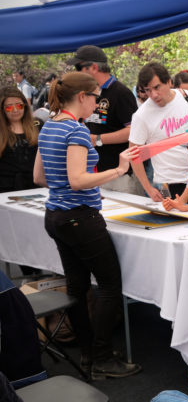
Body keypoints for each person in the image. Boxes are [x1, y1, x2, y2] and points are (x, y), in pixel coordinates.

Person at [32, 72, 142, 378]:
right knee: (109, 285)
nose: (97, 104)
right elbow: (78, 180)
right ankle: (102, 357)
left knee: (77, 287)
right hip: (80, 216)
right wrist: (118, 169)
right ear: (82, 97)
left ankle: (87, 355)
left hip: (56, 215)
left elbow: (39, 177)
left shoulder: (49, 126)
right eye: (95, 97)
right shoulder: (76, 130)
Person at [67, 45, 142, 194]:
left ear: (93, 67)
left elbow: (134, 131)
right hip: (92, 173)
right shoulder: (86, 92)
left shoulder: (120, 93)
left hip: (119, 175)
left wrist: (98, 139)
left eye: (78, 67)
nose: (76, 72)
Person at [129, 62, 188, 201]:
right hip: (170, 183)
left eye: (157, 87)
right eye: (148, 90)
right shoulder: (141, 115)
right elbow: (134, 155)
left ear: (169, 82)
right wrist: (148, 188)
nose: (154, 94)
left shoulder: (186, 96)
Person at [0, 86, 42, 193]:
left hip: (35, 189)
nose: (15, 110)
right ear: (2, 109)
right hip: (5, 191)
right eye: (9, 107)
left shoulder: (37, 125)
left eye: (19, 105)